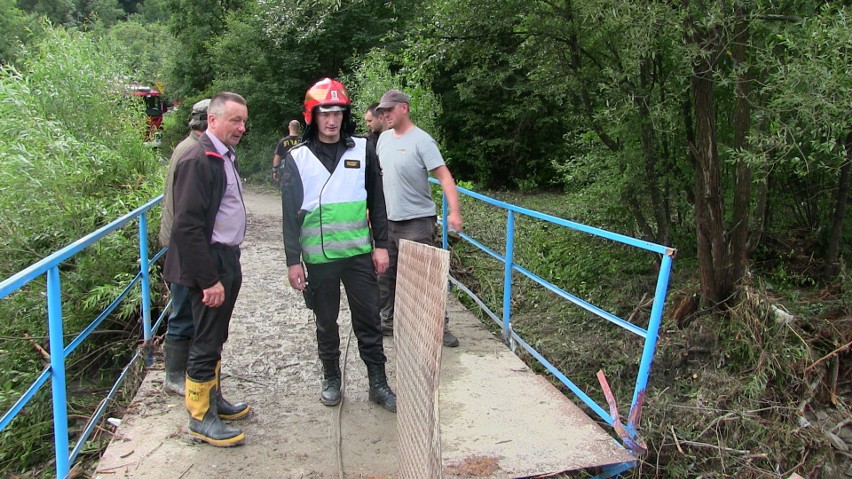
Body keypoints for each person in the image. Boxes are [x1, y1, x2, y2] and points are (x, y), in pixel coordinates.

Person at [281, 78, 397, 412]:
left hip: (359, 253)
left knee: (369, 321)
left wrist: (381, 245)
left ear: (344, 116)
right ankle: (331, 377)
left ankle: (378, 383)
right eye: (324, 114)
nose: (332, 121)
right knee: (326, 322)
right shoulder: (298, 158)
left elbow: (377, 201)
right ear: (311, 117)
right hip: (319, 259)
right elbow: (289, 215)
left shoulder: (362, 148)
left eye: (337, 113)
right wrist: (293, 261)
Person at [164, 92, 250, 447]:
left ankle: (213, 399)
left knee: (215, 336)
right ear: (212, 120)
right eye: (234, 120)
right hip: (208, 263)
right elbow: (186, 227)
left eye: (244, 121)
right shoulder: (199, 160)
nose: (242, 128)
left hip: (225, 258)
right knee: (204, 339)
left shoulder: (222, 156)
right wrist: (209, 279)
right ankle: (200, 417)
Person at [375, 89, 462, 347]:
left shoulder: (422, 140)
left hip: (417, 222)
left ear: (404, 108)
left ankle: (438, 327)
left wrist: (454, 212)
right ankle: (388, 322)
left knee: (425, 278)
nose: (385, 114)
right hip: (387, 222)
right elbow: (378, 178)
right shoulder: (382, 139)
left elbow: (445, 176)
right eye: (382, 111)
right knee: (385, 277)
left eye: (389, 109)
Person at [159, 98, 209, 396]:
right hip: (182, 245)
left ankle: (185, 370)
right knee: (183, 312)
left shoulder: (187, 146)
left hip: (179, 241)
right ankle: (174, 375)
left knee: (187, 309)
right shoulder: (193, 152)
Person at [272, 120, 302, 186]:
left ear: (289, 127)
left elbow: (277, 157)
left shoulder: (283, 142)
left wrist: (275, 171)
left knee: (287, 191)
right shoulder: (302, 142)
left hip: (286, 172)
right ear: (299, 128)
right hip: (300, 172)